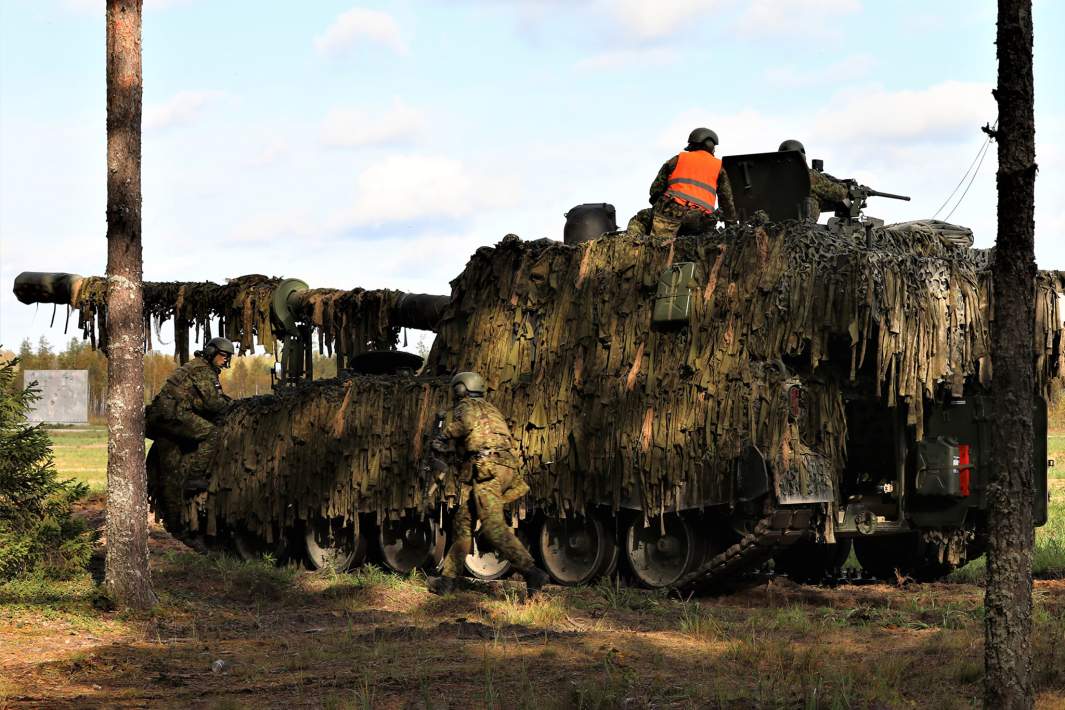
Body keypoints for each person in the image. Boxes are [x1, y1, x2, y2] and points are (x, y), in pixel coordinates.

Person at [426, 372, 550, 596]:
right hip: (504, 469)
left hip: (488, 470)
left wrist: (442, 436)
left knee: (493, 529)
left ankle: (531, 571)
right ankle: (447, 580)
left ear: (461, 390)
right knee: (463, 522)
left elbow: (463, 425)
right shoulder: (491, 409)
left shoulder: (466, 407)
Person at [144, 337, 234, 531]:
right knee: (210, 433)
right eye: (223, 356)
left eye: (228, 357)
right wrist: (234, 406)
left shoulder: (199, 367)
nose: (226, 360)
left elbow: (202, 400)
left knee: (171, 473)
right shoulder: (203, 370)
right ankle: (195, 478)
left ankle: (176, 521)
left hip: (168, 417)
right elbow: (213, 403)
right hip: (172, 418)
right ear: (211, 353)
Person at [645, 127, 737, 238]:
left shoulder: (677, 159)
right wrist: (732, 229)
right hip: (700, 221)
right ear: (712, 147)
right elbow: (727, 203)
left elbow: (654, 191)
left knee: (656, 244)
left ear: (693, 145)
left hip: (671, 214)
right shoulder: (719, 168)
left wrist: (659, 206)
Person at [777, 139, 850, 221]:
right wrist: (842, 185)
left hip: (768, 224)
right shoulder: (808, 175)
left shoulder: (770, 175)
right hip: (800, 226)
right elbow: (839, 194)